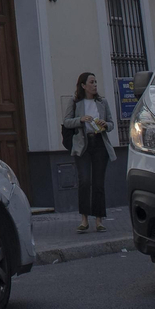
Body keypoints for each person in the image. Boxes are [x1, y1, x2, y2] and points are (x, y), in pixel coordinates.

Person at [64, 72, 115, 232]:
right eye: (91, 82)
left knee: (98, 183)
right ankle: (84, 219)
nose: (95, 85)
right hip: (83, 145)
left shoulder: (102, 102)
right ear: (83, 85)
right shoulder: (75, 102)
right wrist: (81, 119)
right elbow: (66, 122)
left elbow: (111, 123)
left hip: (99, 144)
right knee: (85, 181)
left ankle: (99, 220)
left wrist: (105, 124)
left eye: (96, 82)